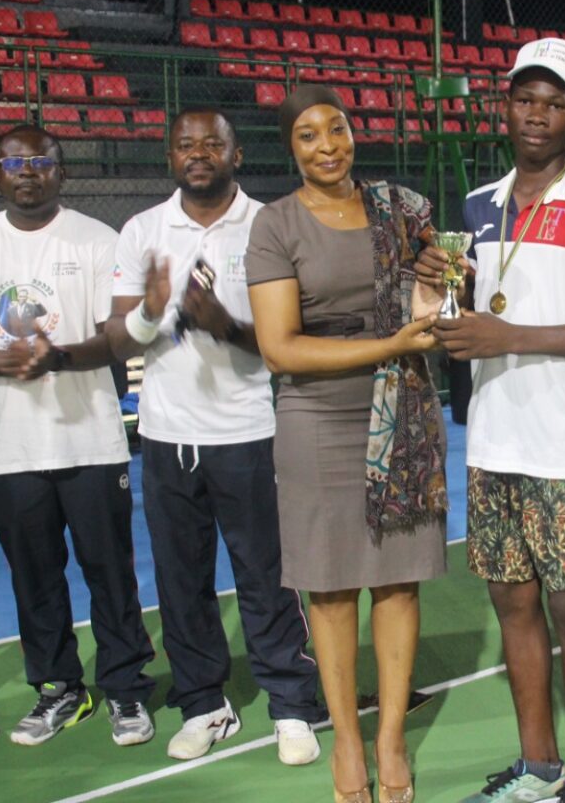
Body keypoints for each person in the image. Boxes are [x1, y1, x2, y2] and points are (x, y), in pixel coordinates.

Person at [417, 38, 565, 803]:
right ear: (505, 105)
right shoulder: (479, 206)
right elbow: (464, 307)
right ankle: (538, 766)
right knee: (513, 607)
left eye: (555, 102)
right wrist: (440, 293)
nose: (537, 115)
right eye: (525, 99)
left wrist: (504, 334)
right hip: (492, 441)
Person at [0, 125, 156, 748]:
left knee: (110, 570)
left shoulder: (98, 240)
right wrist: (10, 361)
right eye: (13, 162)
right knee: (34, 575)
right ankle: (59, 689)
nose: (27, 172)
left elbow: (115, 337)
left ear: (62, 171)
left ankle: (127, 686)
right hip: (13, 449)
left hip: (93, 441)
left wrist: (54, 359)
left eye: (40, 161)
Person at [106, 108, 325, 763]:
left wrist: (225, 325)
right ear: (169, 156)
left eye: (212, 143)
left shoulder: (271, 225)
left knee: (266, 573)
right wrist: (150, 311)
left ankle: (291, 703)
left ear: (235, 154)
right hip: (167, 435)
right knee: (181, 578)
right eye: (185, 145)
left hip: (250, 430)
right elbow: (118, 338)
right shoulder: (144, 230)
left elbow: (291, 341)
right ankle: (204, 702)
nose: (198, 153)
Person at [248, 86, 447, 803]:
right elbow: (279, 348)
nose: (328, 145)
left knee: (397, 581)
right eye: (308, 136)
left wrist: (442, 278)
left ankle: (391, 738)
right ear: (290, 148)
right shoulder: (275, 225)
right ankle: (349, 745)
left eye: (338, 128)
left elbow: (445, 293)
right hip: (318, 418)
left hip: (404, 406)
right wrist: (388, 342)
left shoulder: (403, 208)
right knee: (330, 589)